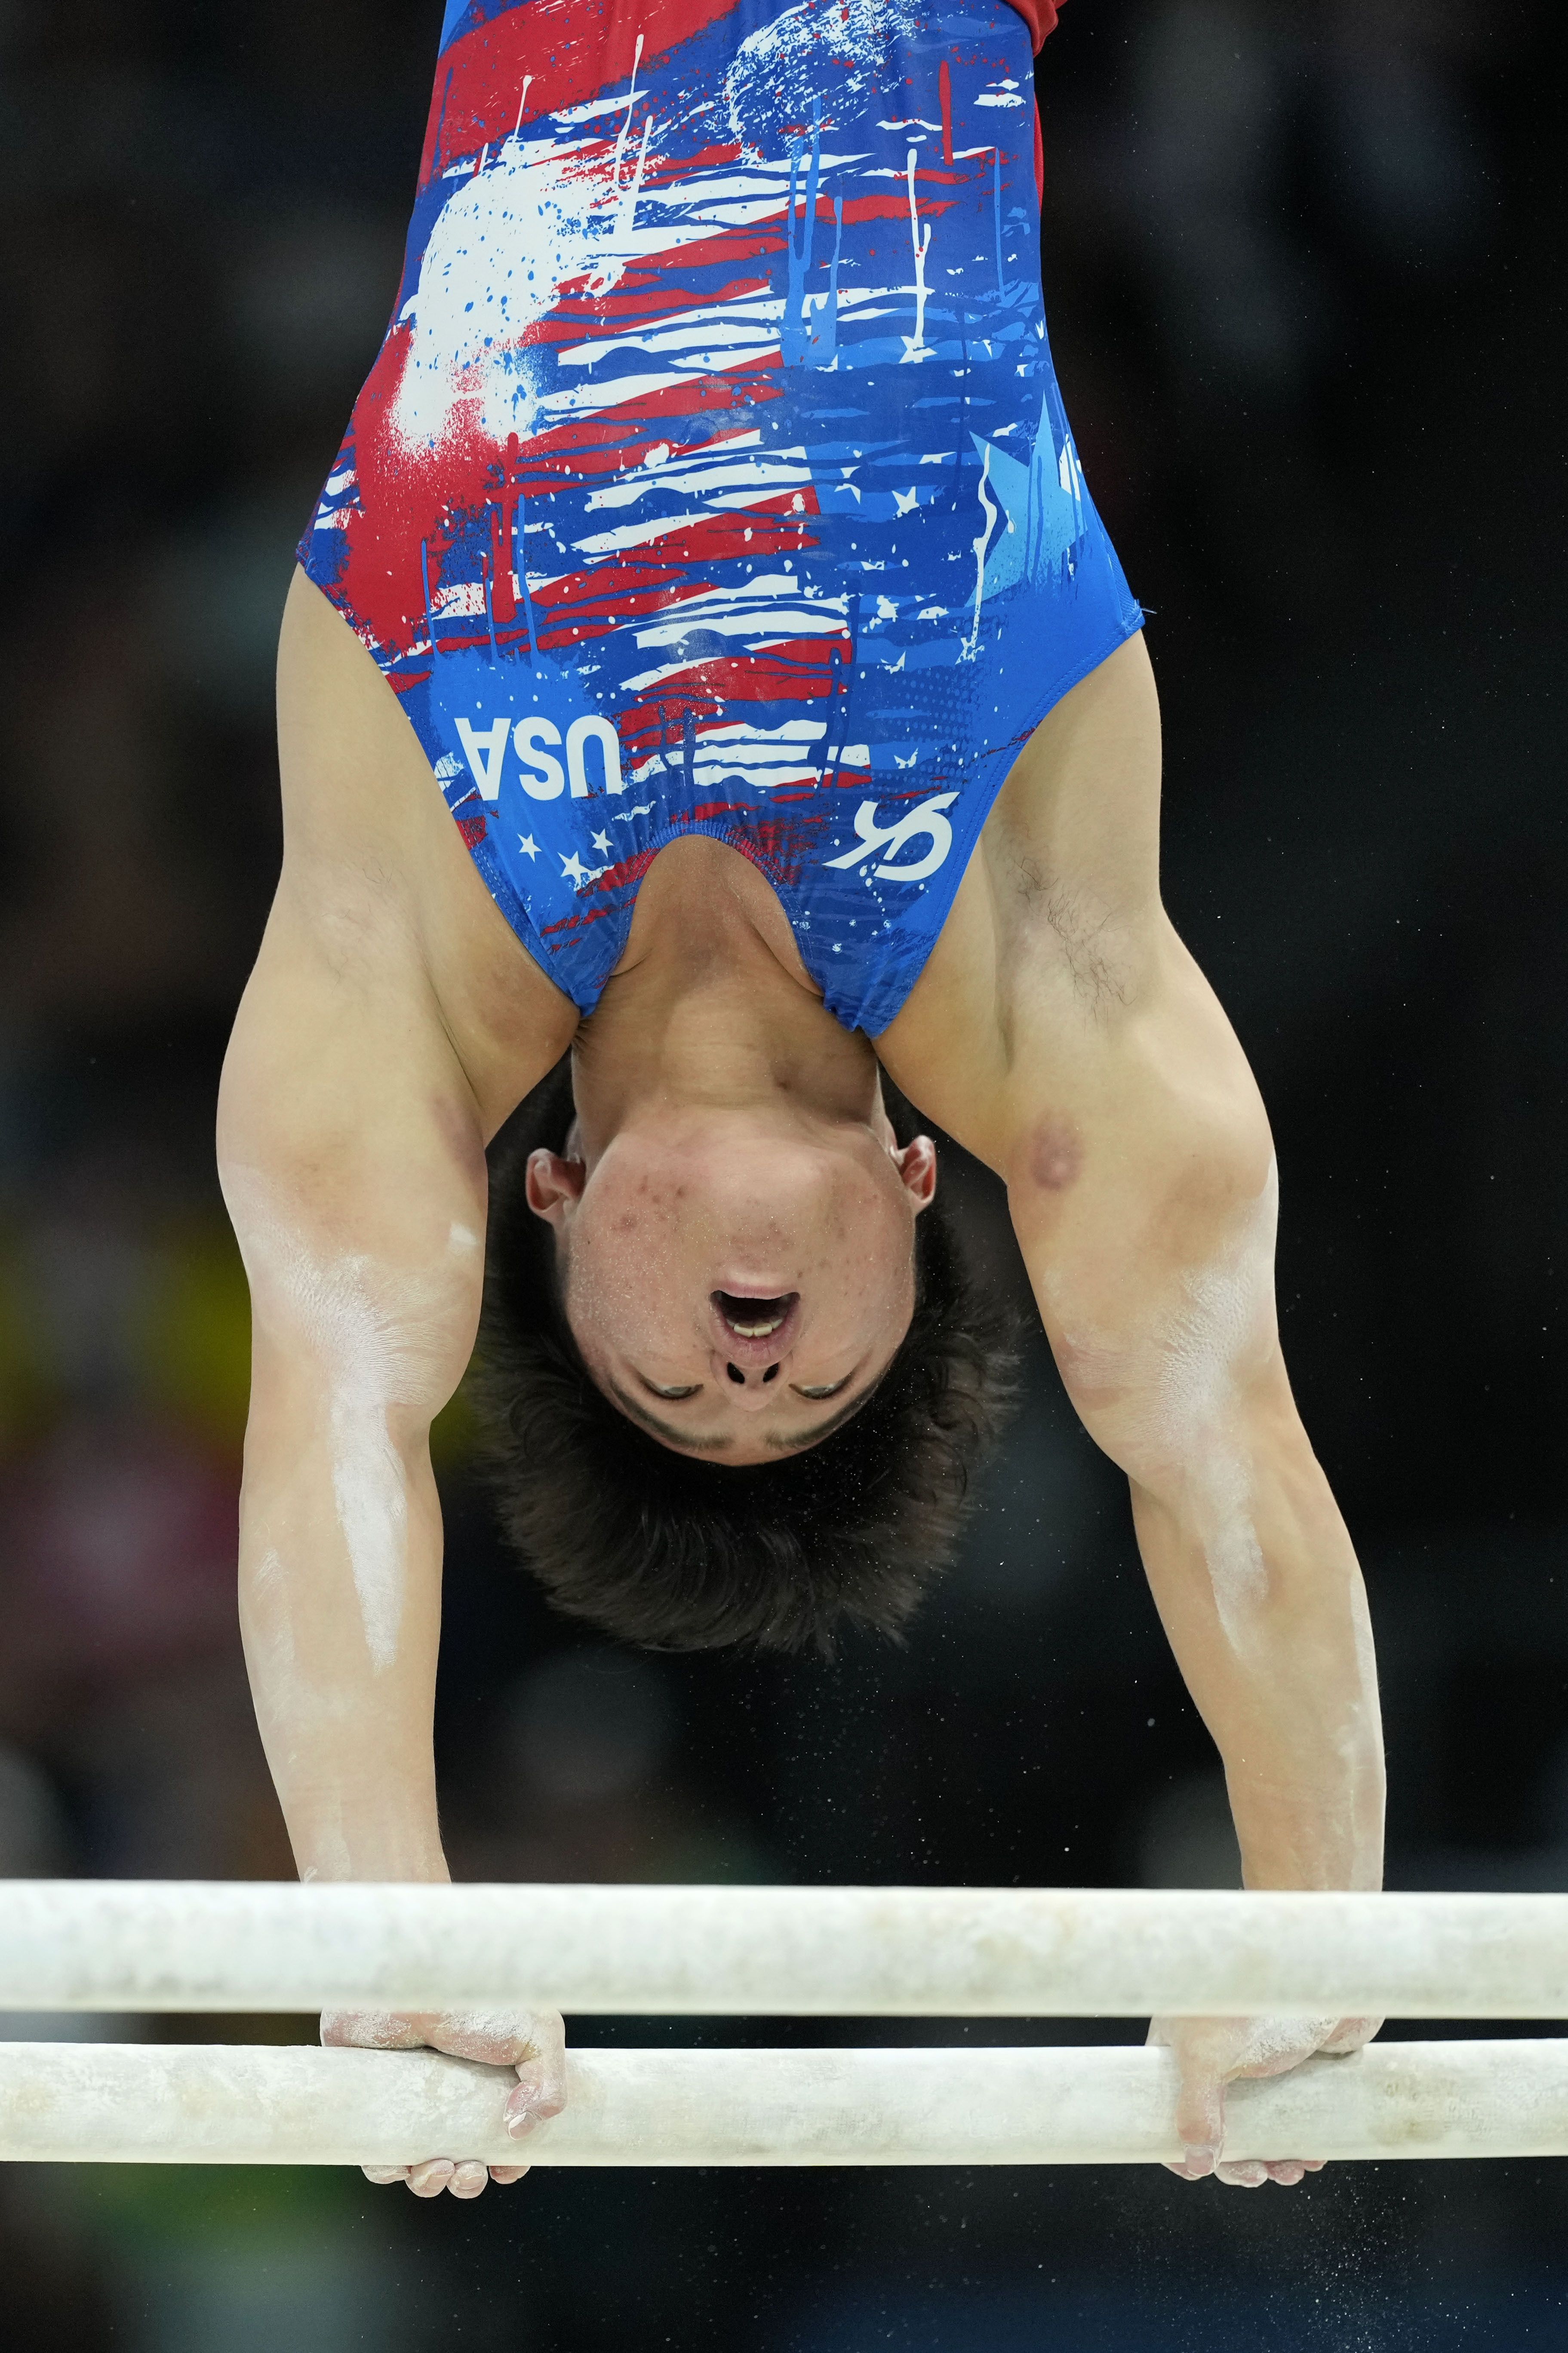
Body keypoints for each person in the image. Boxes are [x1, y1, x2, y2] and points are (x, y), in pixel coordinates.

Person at [218, 0, 1384, 2199]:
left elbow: (344, 1407)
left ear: (540, 1215)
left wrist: (387, 1931)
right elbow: (1213, 1427)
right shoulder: (1045, 996)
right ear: (918, 1188)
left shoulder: (408, 970)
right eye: (809, 1388)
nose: (746, 1366)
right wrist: (1312, 1921)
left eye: (679, 1397)